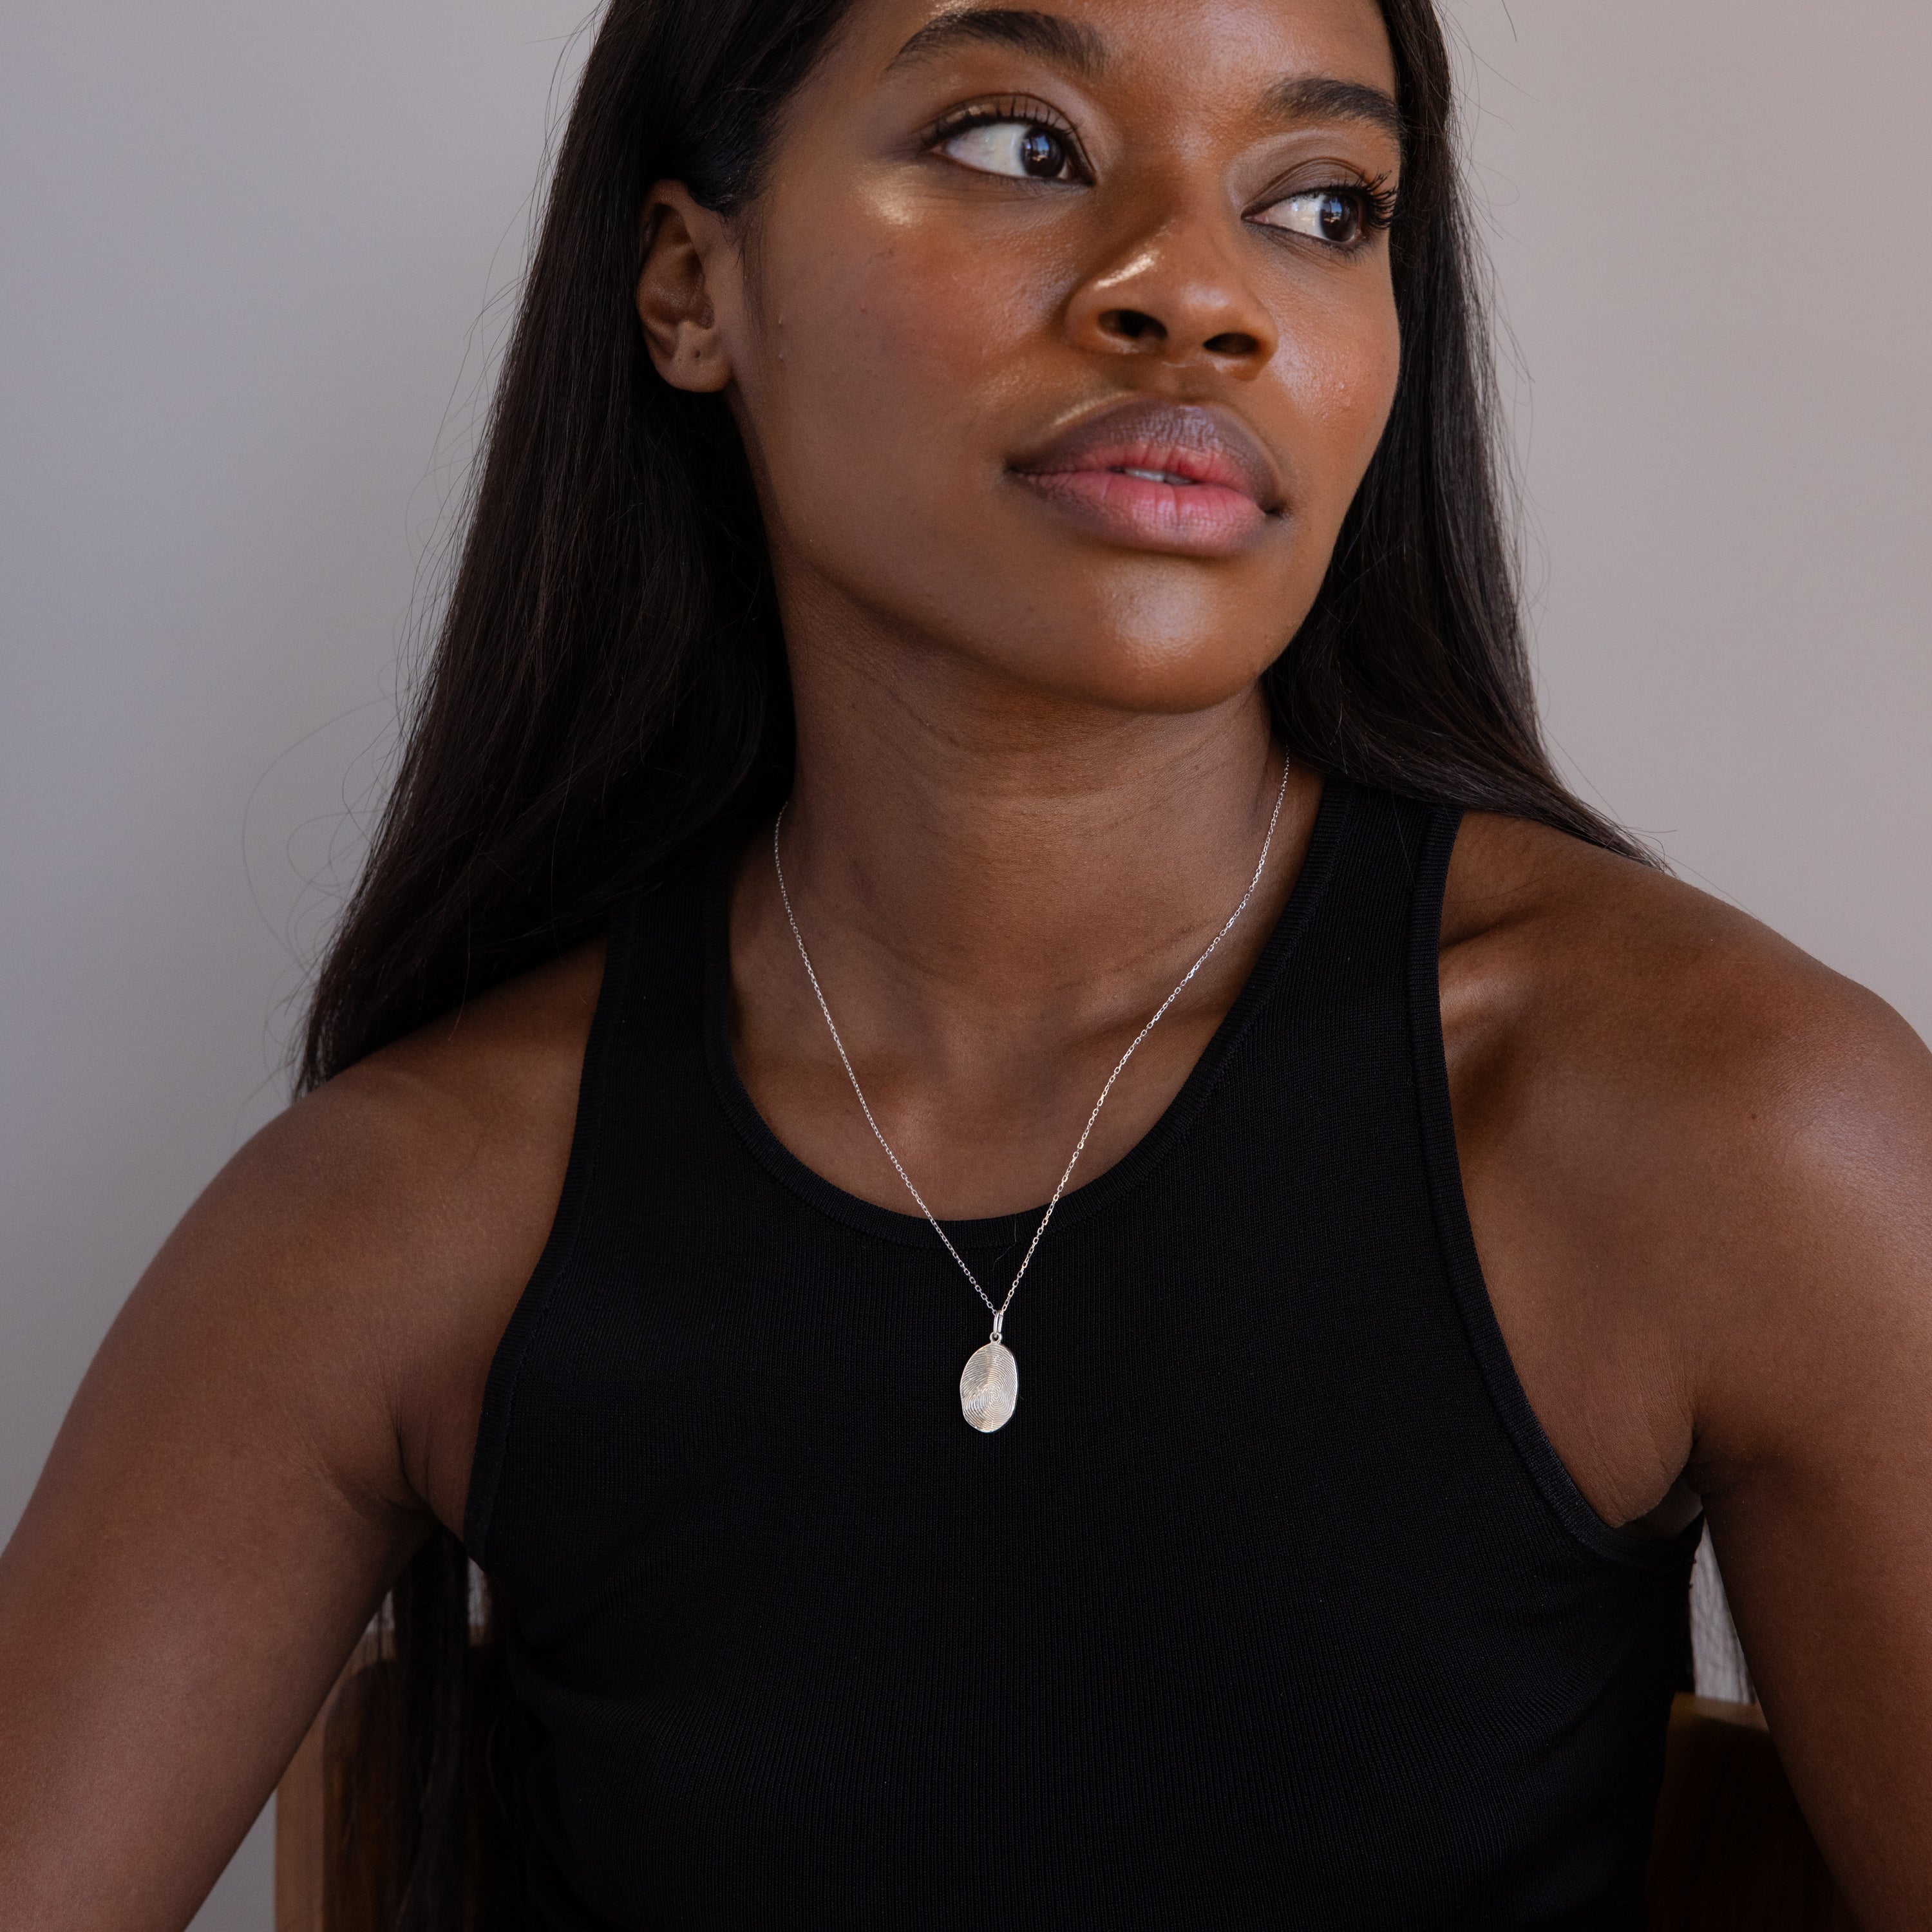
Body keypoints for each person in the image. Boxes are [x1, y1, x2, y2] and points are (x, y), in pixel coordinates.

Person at [3, 0, 1928, 1924]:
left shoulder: (1726, 1132)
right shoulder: (413, 1213)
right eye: (1022, 145)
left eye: (1323, 203)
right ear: (690, 283)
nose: (1195, 293)